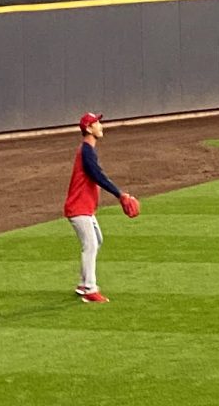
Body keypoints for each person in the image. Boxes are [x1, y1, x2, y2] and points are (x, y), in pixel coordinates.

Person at [64, 111, 138, 303]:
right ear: (89, 128)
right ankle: (90, 289)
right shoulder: (86, 151)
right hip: (78, 208)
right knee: (90, 245)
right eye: (96, 123)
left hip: (85, 208)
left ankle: (83, 284)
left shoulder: (88, 149)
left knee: (97, 240)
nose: (100, 125)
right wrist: (120, 194)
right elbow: (97, 175)